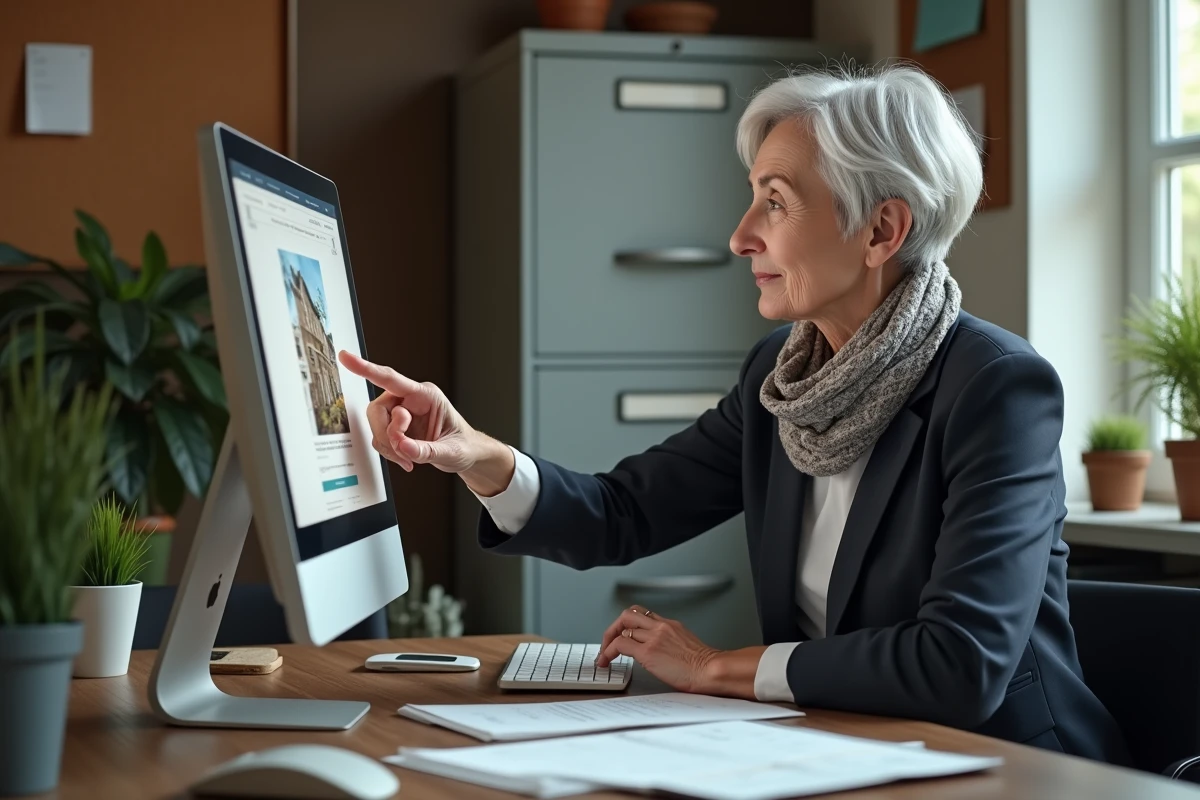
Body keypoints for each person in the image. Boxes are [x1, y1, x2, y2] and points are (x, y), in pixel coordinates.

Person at [339, 65, 1129, 763]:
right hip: (840, 746)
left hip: (1009, 768)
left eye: (775, 204)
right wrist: (482, 457)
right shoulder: (779, 378)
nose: (739, 236)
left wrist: (719, 667)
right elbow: (624, 514)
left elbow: (961, 664)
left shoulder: (996, 388)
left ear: (881, 230)